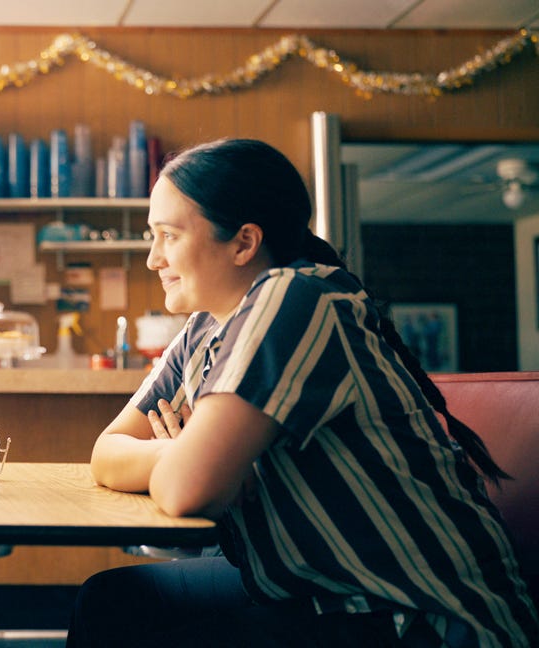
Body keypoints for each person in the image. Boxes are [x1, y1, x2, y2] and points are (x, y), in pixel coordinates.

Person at [67, 139, 537, 647]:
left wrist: (194, 463)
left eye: (168, 236)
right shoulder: (204, 328)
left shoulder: (295, 297)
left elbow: (186, 490)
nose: (153, 258)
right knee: (110, 601)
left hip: (417, 614)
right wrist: (180, 452)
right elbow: (106, 453)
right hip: (308, 589)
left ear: (244, 243)